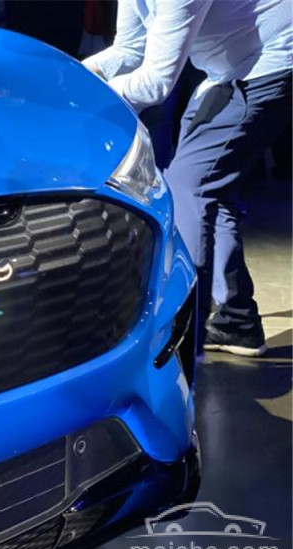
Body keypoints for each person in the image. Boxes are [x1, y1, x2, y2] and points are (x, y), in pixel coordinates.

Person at [83, 0, 292, 357]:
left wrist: (88, 101)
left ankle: (185, 340)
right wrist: (74, 76)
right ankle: (236, 321)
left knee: (188, 186)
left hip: (270, 63)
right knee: (207, 189)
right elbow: (130, 49)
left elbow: (156, 84)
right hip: (227, 70)